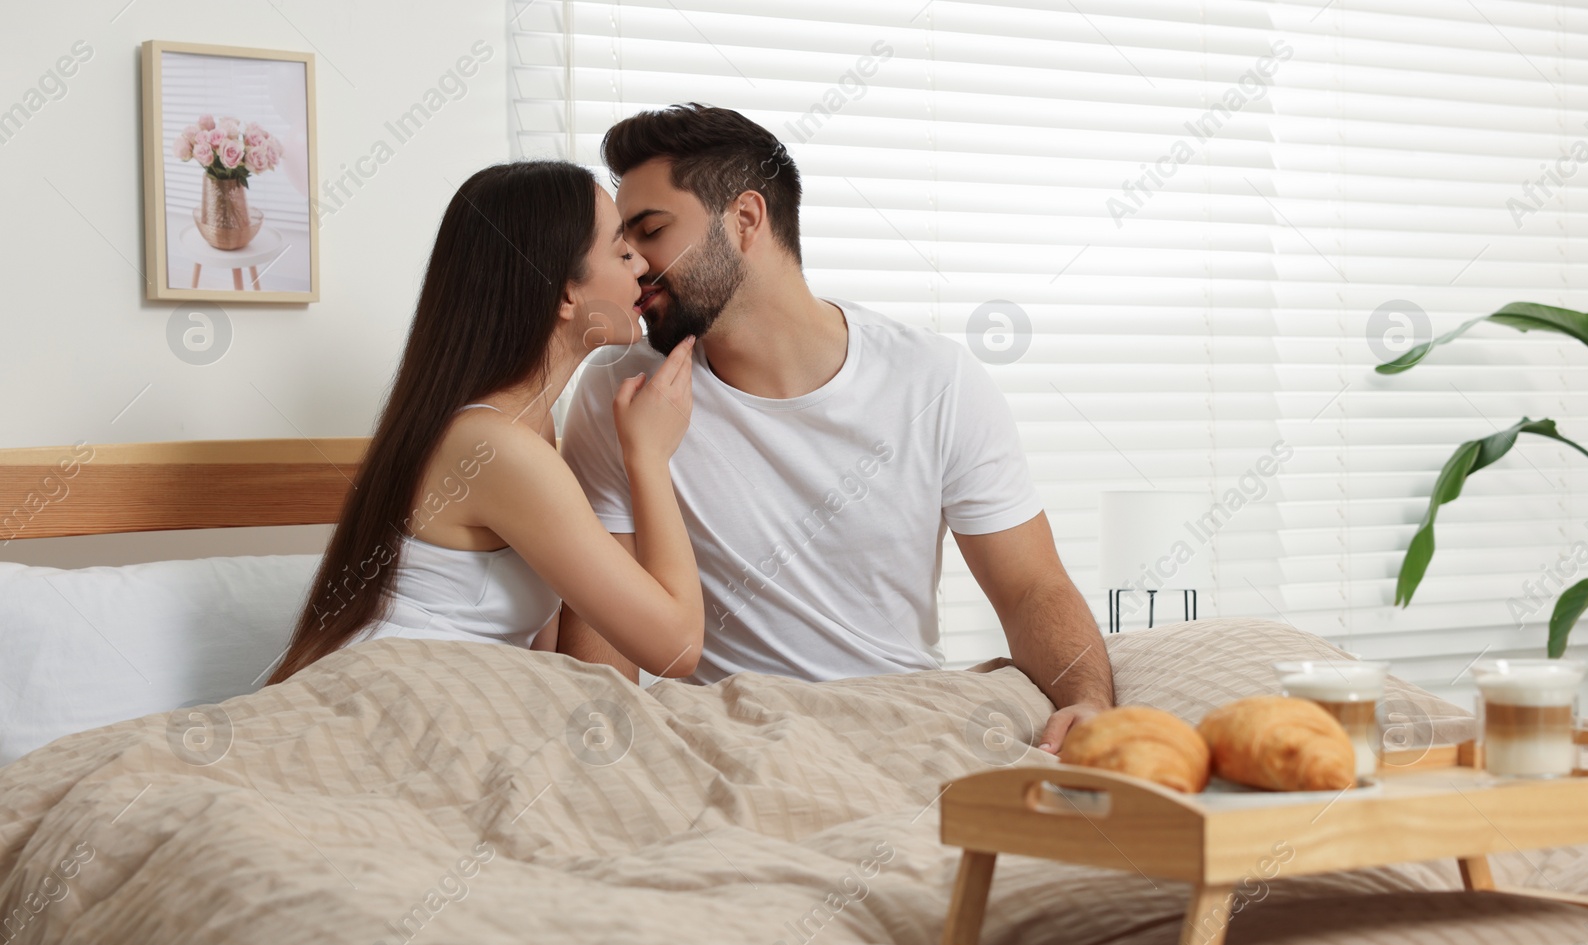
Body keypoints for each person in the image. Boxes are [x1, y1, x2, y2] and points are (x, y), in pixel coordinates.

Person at [557, 104, 1113, 752]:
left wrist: (1088, 698)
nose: (633, 264)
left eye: (649, 231)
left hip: (903, 733)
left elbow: (1030, 587)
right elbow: (603, 631)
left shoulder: (935, 381)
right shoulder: (620, 394)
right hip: (727, 748)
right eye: (622, 243)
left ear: (744, 220)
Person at [269, 160, 703, 685]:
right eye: (621, 250)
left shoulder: (519, 431)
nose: (642, 266)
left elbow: (535, 645)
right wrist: (649, 456)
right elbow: (677, 649)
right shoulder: (497, 449)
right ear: (566, 294)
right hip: (378, 700)